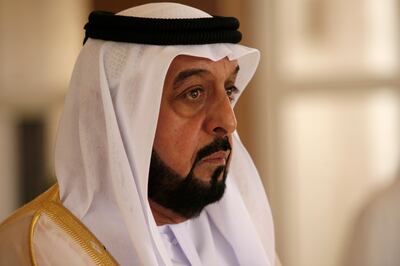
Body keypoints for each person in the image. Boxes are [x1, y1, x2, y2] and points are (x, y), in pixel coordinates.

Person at [0, 3, 277, 265]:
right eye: (194, 93)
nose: (228, 121)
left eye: (229, 91)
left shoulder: (236, 233)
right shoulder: (35, 249)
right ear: (123, 117)